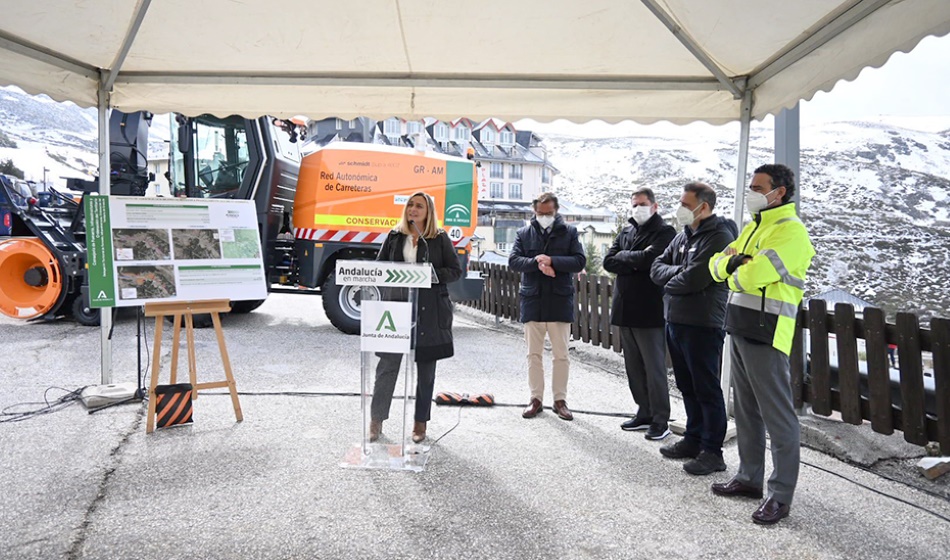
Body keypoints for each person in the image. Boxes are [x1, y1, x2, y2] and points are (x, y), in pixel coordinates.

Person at [708, 164, 815, 525]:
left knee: (778, 417)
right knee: (747, 411)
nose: (751, 192)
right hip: (740, 325)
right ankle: (749, 478)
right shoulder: (755, 227)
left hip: (768, 330)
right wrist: (732, 265)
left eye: (758, 187)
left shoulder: (791, 232)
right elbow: (714, 266)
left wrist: (732, 267)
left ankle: (780, 495)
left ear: (779, 192)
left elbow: (750, 274)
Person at [650, 182, 737, 475]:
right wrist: (678, 273)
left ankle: (713, 452)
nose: (681, 209)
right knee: (687, 385)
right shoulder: (684, 235)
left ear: (704, 207)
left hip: (703, 323)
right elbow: (656, 268)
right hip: (676, 319)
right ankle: (693, 438)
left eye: (686, 205)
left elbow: (695, 279)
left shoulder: (719, 236)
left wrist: (675, 276)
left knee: (706, 388)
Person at [369, 192, 462, 443]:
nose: (413, 209)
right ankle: (376, 421)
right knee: (387, 367)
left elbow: (455, 271)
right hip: (395, 309)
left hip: (429, 312)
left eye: (419, 206)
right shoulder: (394, 236)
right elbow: (379, 268)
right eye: (410, 205)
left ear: (428, 211)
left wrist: (428, 274)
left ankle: (420, 424)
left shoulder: (439, 239)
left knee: (426, 372)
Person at [603, 187, 676, 440]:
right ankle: (643, 412)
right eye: (634, 204)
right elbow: (608, 261)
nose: (637, 208)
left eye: (642, 203)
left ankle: (660, 419)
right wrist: (632, 260)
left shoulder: (665, 232)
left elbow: (652, 261)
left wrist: (627, 259)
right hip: (625, 308)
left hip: (650, 308)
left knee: (654, 368)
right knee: (633, 366)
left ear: (654, 206)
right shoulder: (626, 230)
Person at [509, 192, 586, 421]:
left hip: (559, 302)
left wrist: (552, 261)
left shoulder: (570, 233)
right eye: (540, 213)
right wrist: (537, 262)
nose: (544, 216)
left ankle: (560, 400)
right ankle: (536, 399)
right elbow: (514, 261)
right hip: (533, 302)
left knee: (561, 355)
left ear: (556, 210)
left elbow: (579, 261)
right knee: (533, 354)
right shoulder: (524, 233)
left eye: (548, 213)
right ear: (534, 211)